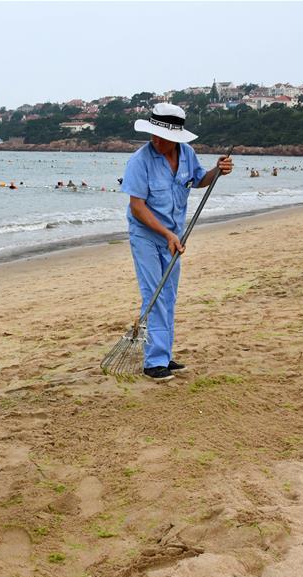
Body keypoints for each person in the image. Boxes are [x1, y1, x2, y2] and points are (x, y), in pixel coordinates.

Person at [121, 103, 232, 381]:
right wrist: (167, 234)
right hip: (147, 235)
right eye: (153, 135)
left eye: (162, 137)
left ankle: (163, 356)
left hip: (174, 237)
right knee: (154, 293)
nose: (156, 141)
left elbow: (199, 180)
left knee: (168, 295)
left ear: (177, 138)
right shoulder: (139, 161)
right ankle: (153, 362)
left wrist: (217, 171)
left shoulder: (188, 155)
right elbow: (138, 207)